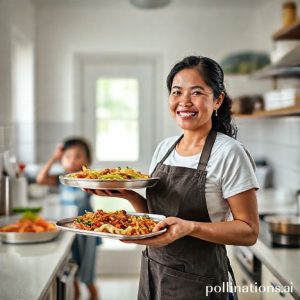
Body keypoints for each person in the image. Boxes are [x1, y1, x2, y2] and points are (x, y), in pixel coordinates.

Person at [85, 56, 259, 300]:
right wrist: (130, 196)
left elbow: (249, 231)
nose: (184, 102)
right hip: (154, 274)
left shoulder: (229, 152)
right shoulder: (164, 148)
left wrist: (190, 228)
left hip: (201, 283)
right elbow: (157, 218)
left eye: (196, 92)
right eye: (176, 92)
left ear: (217, 100)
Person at [37, 137, 101, 300]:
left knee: (87, 264)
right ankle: (76, 291)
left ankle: (93, 292)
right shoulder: (62, 180)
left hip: (88, 230)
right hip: (68, 229)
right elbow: (41, 179)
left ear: (87, 159)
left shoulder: (88, 178)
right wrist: (54, 158)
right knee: (71, 261)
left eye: (77, 156)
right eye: (67, 156)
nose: (72, 161)